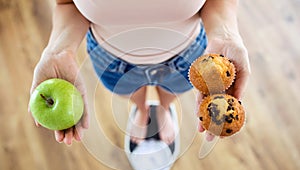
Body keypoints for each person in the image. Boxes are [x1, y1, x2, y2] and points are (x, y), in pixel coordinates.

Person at [29, 0, 251, 146]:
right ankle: (142, 109)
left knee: (171, 90)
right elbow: (67, 3)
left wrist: (226, 36)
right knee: (130, 92)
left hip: (187, 55)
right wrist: (57, 50)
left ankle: (163, 109)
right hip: (111, 59)